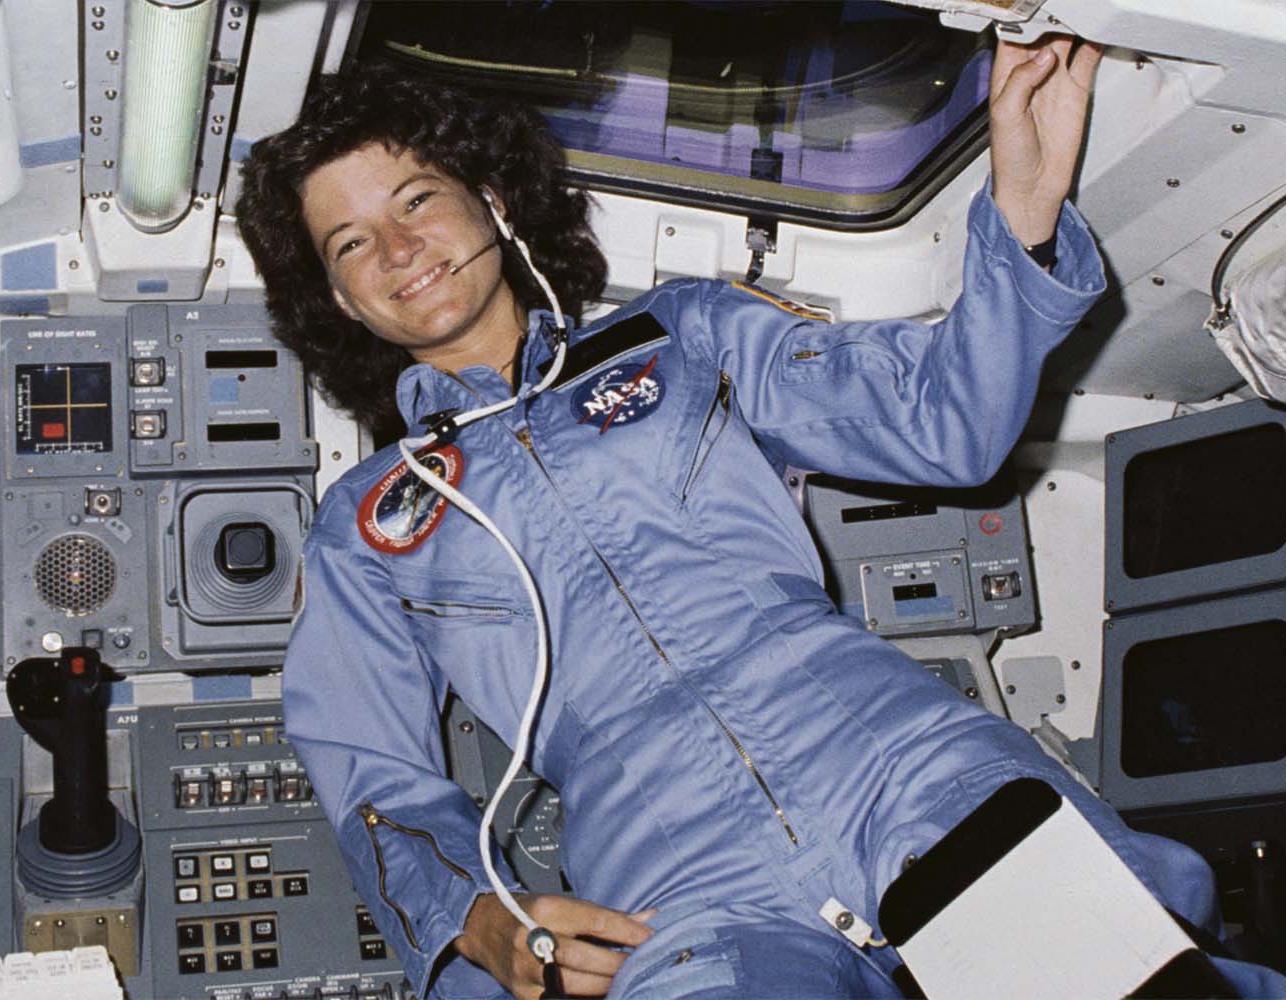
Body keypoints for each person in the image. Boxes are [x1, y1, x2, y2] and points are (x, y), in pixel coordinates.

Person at [237, 38, 1285, 1000]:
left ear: (493, 197)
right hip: (672, 878)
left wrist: (1020, 212)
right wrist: (472, 914)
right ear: (338, 299)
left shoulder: (683, 335)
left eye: (417, 198)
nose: (399, 247)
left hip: (896, 763)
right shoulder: (367, 521)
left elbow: (941, 426)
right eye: (350, 243)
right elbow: (368, 767)